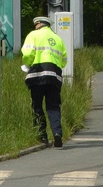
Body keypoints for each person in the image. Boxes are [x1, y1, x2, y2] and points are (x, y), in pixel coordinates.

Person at [21, 16, 68, 147]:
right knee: (53, 106)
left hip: (37, 74)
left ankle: (42, 136)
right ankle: (57, 134)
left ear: (38, 24)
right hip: (54, 76)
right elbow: (64, 60)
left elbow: (27, 53)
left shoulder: (33, 35)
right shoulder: (58, 39)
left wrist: (28, 65)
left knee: (37, 106)